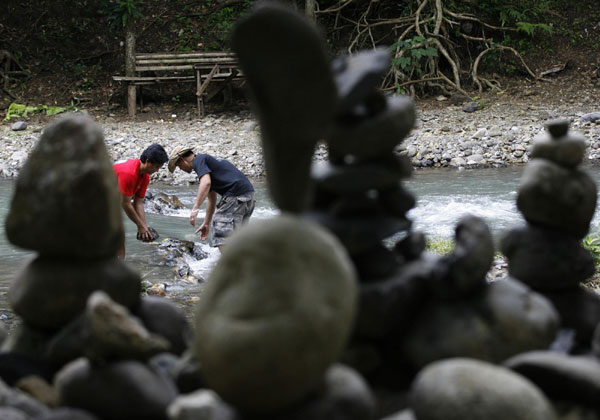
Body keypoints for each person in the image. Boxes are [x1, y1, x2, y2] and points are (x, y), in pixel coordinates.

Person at [168, 146, 255, 250]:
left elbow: (206, 183)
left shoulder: (199, 160)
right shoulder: (208, 163)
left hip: (236, 195)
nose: (180, 169)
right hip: (248, 195)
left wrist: (195, 208)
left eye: (178, 166)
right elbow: (211, 198)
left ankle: (230, 265)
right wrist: (206, 223)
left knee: (222, 234)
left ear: (182, 160)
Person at [113, 143, 168, 258]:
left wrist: (144, 226)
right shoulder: (129, 173)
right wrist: (140, 225)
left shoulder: (145, 176)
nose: (157, 170)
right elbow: (126, 204)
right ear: (148, 161)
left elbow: (138, 202)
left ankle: (118, 269)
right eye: (157, 167)